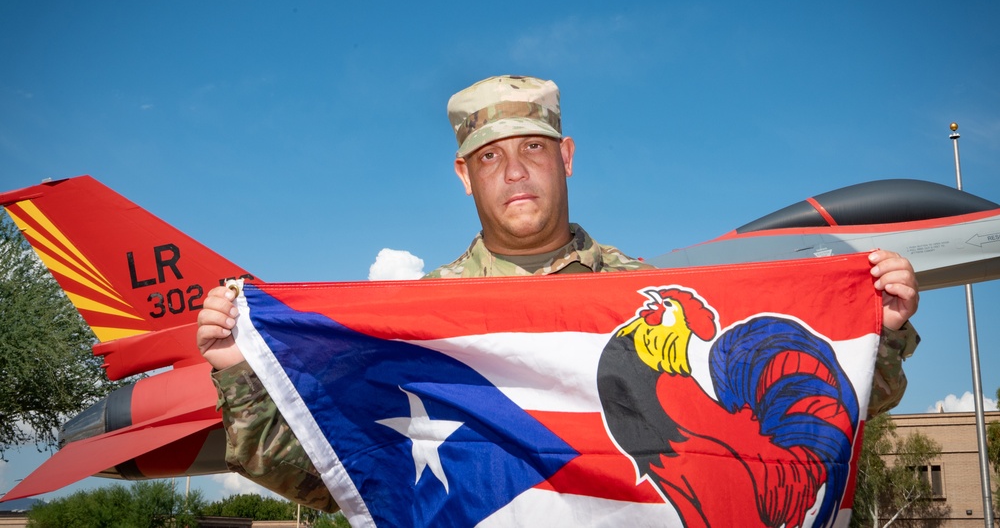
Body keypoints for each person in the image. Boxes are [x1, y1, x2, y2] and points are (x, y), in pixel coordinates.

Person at [196, 75, 920, 511]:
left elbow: (818, 418)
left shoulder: (648, 298)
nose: (515, 173)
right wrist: (239, 373)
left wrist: (876, 331)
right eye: (491, 157)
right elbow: (337, 475)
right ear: (463, 175)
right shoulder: (413, 328)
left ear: (565, 157)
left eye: (532, 149)